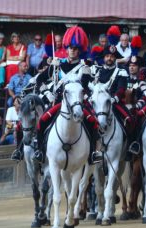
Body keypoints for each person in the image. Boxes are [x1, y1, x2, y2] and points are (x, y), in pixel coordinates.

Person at [16, 26, 98, 163]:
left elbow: (85, 88)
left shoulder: (85, 68)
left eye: (75, 48)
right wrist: (47, 93)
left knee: (93, 123)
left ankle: (92, 154)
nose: (72, 50)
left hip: (77, 103)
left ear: (80, 50)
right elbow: (39, 79)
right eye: (70, 47)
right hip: (58, 102)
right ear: (66, 48)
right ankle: (40, 152)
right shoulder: (57, 65)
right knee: (41, 122)